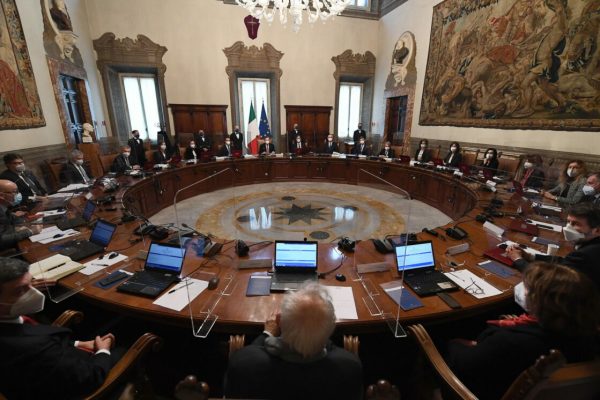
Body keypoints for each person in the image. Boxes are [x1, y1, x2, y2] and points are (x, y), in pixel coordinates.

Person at [445, 262, 599, 400]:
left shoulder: (511, 342)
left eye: (527, 288)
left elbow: (464, 366)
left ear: (540, 303)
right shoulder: (588, 334)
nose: (522, 290)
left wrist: (453, 344)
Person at [0, 257, 119, 400]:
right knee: (129, 340)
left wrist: (79, 344)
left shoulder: (9, 320)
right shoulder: (33, 348)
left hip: (46, 367)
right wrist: (103, 351)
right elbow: (91, 377)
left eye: (32, 283)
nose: (34, 292)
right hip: (72, 383)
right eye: (20, 291)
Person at [224, 283, 363, 400]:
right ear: (330, 329)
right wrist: (315, 330)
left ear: (279, 321)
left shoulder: (243, 364)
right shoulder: (349, 368)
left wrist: (267, 334)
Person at [507, 203, 600, 289]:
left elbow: (548, 281)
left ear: (597, 230)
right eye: (568, 222)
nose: (568, 228)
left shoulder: (586, 254)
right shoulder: (591, 245)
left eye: (576, 224)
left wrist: (518, 260)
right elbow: (565, 263)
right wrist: (530, 256)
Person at [0, 180, 41, 251]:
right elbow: (1, 240)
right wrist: (30, 231)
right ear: (1, 196)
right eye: (15, 192)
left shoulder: (4, 206)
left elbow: (15, 219)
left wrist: (20, 226)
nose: (18, 194)